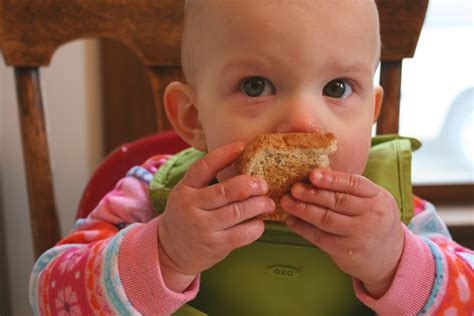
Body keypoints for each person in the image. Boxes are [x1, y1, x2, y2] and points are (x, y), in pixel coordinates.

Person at [30, 0, 473, 315]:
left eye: (337, 88)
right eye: (255, 86)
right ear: (193, 116)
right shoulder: (148, 194)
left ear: (372, 115)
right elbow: (49, 294)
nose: (303, 122)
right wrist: (165, 253)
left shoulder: (399, 216)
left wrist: (397, 263)